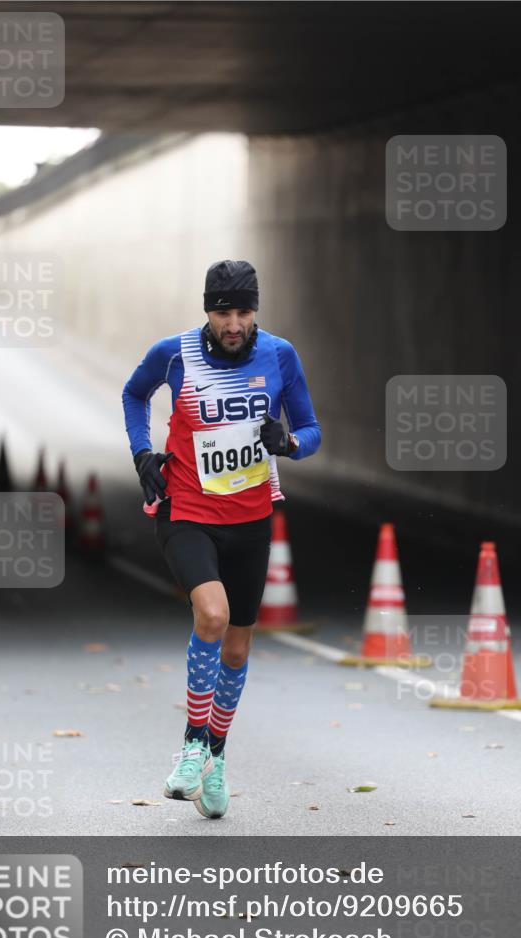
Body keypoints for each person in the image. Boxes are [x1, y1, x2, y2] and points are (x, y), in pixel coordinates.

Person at [122, 259, 321, 819]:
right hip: (187, 509)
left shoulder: (280, 355)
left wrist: (289, 442)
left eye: (243, 312)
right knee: (211, 615)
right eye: (223, 313)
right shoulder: (175, 353)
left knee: (237, 647)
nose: (233, 324)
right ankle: (192, 746)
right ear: (207, 312)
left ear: (255, 311)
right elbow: (135, 395)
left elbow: (311, 431)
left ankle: (216, 756)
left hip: (251, 518)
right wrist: (142, 453)